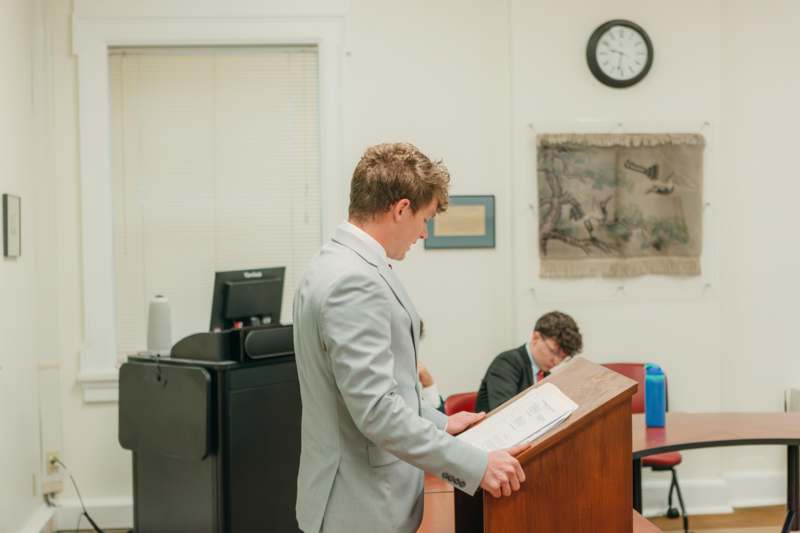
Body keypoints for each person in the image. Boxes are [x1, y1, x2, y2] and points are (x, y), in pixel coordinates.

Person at [293, 143, 528, 533]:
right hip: (359, 506)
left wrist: (440, 423)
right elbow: (377, 411)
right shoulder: (354, 281)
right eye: (425, 218)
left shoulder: (333, 262)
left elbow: (367, 394)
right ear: (401, 208)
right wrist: (476, 464)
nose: (423, 232)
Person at [475, 311, 583, 413]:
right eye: (553, 351)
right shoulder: (507, 363)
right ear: (536, 337)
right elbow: (505, 412)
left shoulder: (544, 374)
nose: (557, 361)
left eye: (563, 357)